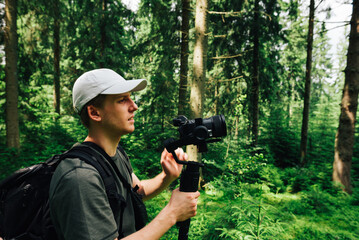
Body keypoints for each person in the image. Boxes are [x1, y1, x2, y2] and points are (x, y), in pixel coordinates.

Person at [49, 68, 200, 240]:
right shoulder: (80, 177)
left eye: (131, 98)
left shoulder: (114, 154)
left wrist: (166, 177)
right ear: (94, 113)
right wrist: (172, 213)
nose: (134, 106)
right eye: (122, 100)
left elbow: (137, 191)